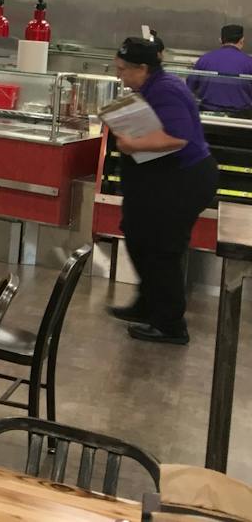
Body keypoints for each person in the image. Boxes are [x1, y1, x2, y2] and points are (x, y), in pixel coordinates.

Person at [108, 36, 219, 345]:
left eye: (123, 70)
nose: (119, 75)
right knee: (137, 233)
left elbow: (177, 139)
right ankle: (147, 305)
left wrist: (132, 144)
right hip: (163, 179)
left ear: (142, 68)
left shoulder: (166, 89)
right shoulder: (150, 87)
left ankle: (170, 324)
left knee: (162, 248)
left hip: (185, 179)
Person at [188, 23, 252, 116]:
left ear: (220, 40)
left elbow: (190, 86)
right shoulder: (249, 62)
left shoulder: (205, 59)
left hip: (208, 115)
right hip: (240, 118)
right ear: (242, 41)